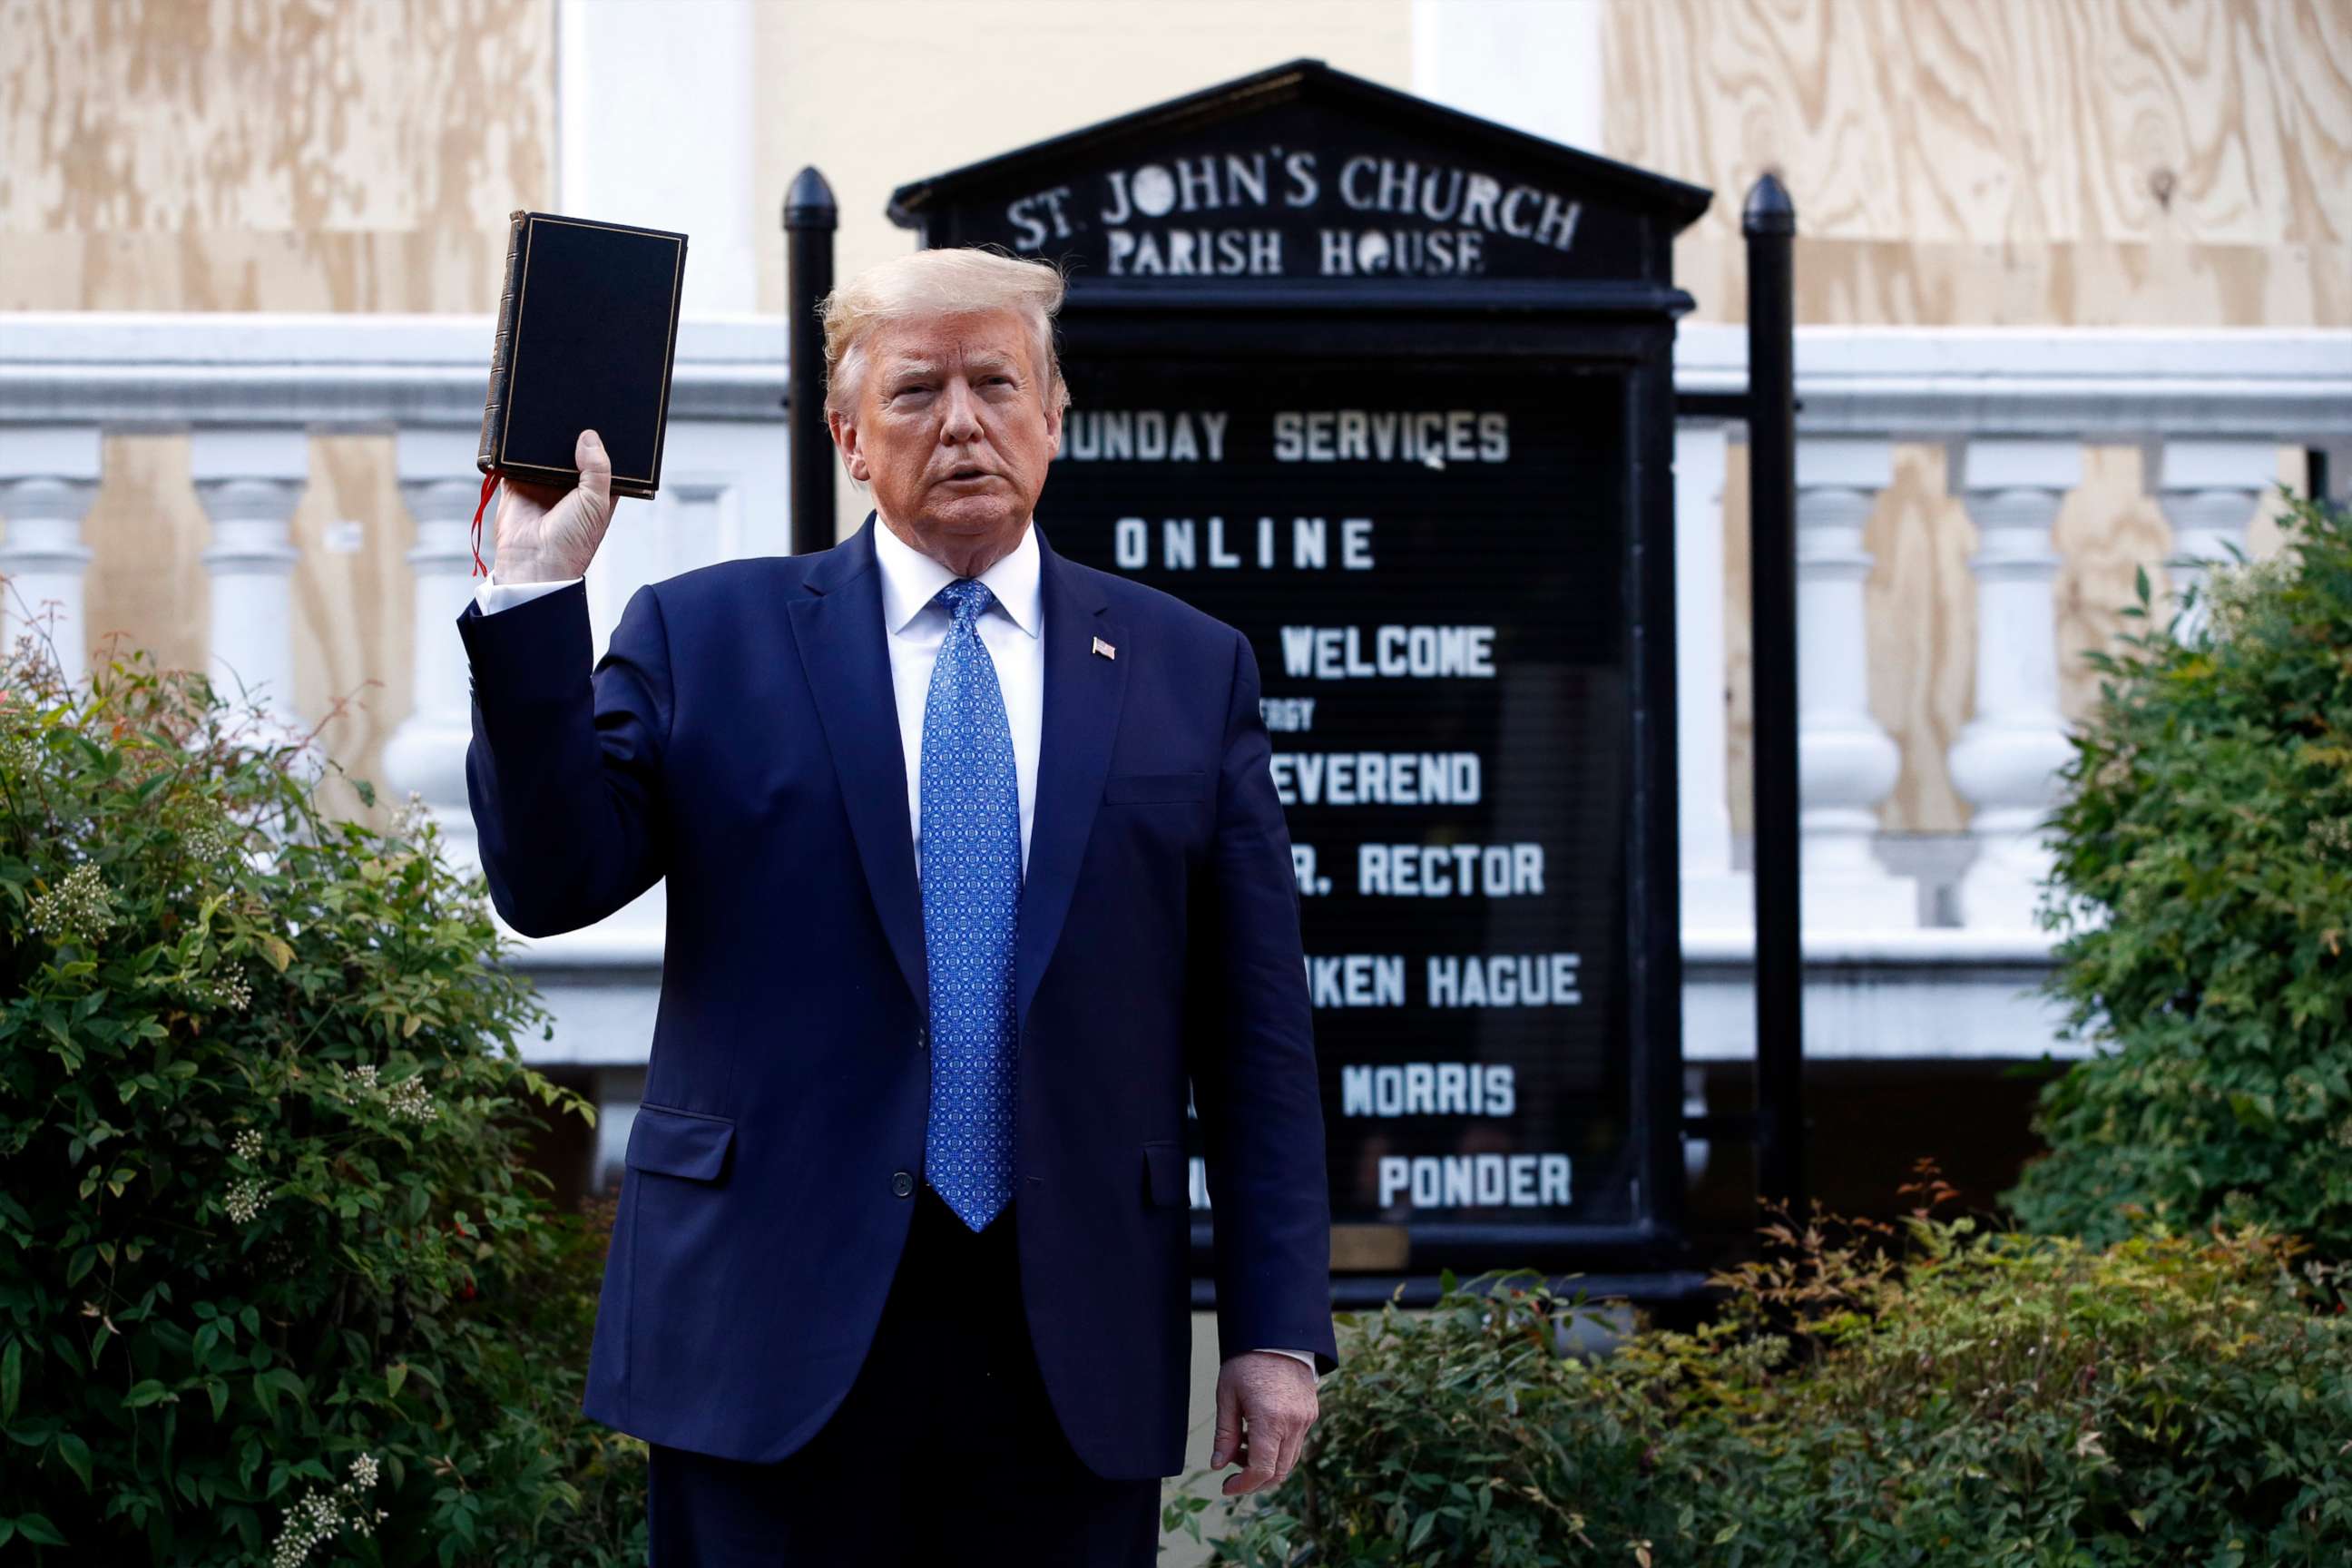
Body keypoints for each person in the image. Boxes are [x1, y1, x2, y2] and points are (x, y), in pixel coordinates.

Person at [455, 245, 1336, 1564]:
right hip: (768, 1330)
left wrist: (1275, 1326)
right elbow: (550, 881)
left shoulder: (1186, 669)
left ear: (1055, 417)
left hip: (1068, 1334)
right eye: (918, 391)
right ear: (850, 438)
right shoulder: (709, 637)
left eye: (997, 383)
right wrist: (533, 598)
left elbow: (1254, 1030)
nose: (965, 421)